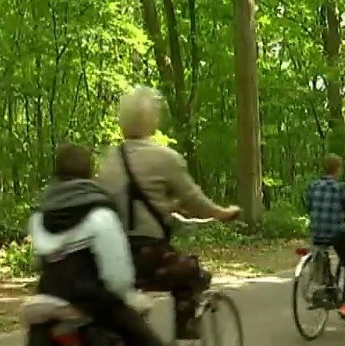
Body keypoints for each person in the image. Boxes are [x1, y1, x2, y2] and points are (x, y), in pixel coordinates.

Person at [97, 86, 241, 344]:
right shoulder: (165, 157)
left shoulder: (109, 159)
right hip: (150, 258)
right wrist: (221, 213)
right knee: (193, 274)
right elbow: (194, 200)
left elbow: (124, 199)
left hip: (112, 258)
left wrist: (166, 206)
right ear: (151, 118)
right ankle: (184, 337)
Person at [28, 144, 166, 346]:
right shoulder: (101, 216)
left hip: (49, 301)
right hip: (94, 302)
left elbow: (41, 263)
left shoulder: (39, 218)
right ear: (90, 172)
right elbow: (117, 278)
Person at [305, 153, 345, 321]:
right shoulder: (340, 188)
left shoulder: (313, 186)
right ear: (338, 169)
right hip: (336, 233)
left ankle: (326, 288)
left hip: (317, 232)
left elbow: (308, 206)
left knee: (322, 253)